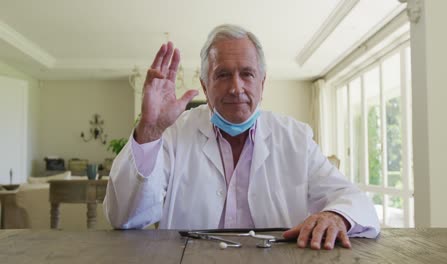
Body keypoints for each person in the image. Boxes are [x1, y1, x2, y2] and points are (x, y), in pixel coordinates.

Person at [103, 24, 380, 250]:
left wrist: (336, 216)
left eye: (247, 74)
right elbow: (124, 217)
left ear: (262, 82)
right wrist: (150, 130)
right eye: (222, 74)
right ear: (204, 85)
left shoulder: (296, 137)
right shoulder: (173, 133)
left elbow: (352, 198)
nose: (236, 88)